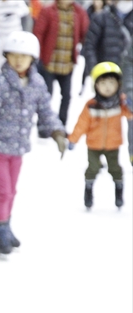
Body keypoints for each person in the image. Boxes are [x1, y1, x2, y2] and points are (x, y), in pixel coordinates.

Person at [0, 31, 66, 255]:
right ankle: (0, 229)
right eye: (14, 55)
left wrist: (57, 132)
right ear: (6, 57)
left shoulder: (37, 83)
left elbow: (46, 111)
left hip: (18, 148)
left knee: (12, 191)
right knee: (3, 191)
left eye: (25, 56)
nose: (19, 60)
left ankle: (7, 226)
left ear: (33, 58)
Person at [67, 62, 132, 209]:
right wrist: (73, 139)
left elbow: (130, 114)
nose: (107, 87)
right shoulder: (91, 105)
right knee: (93, 168)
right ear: (95, 85)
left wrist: (130, 104)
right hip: (94, 145)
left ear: (118, 85)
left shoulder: (121, 103)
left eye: (111, 83)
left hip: (113, 144)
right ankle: (88, 190)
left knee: (115, 169)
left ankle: (119, 191)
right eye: (103, 83)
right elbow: (81, 124)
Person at [82, 0, 133, 165]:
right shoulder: (102, 18)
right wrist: (95, 71)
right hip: (107, 79)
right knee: (104, 118)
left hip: (130, 78)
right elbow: (89, 45)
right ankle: (100, 154)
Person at [33, 0, 89, 128]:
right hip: (49, 62)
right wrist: (38, 56)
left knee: (67, 96)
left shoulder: (79, 12)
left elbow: (85, 33)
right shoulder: (48, 11)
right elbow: (38, 33)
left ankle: (61, 124)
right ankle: (44, 125)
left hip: (67, 63)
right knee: (46, 95)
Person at [0, 0, 30, 73]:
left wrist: (15, 13)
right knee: (0, 61)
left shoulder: (17, 2)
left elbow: (26, 12)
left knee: (18, 60)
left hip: (17, 37)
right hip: (2, 37)